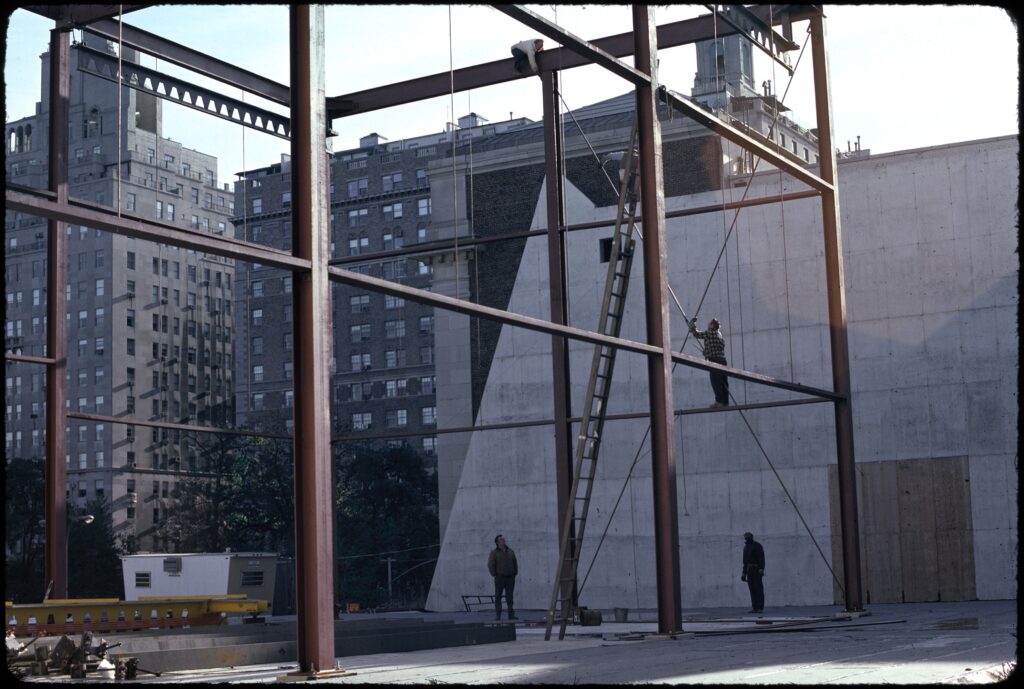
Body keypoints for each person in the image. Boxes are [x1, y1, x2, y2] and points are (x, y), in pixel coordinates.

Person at [689, 317, 729, 407]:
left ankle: (719, 402)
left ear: (712, 325)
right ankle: (725, 402)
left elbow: (697, 334)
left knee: (715, 381)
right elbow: (716, 347)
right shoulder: (719, 334)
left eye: (709, 323)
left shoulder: (710, 332)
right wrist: (707, 352)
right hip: (723, 360)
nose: (708, 324)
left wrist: (692, 325)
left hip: (714, 360)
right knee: (723, 382)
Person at [487, 534, 518, 620]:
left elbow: (515, 562)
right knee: (498, 596)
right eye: (501, 539)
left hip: (510, 578)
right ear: (497, 542)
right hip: (499, 578)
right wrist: (494, 574)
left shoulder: (510, 551)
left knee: (510, 597)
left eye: (503, 539)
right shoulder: (494, 553)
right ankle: (498, 615)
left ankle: (511, 615)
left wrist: (515, 573)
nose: (503, 540)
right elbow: (491, 564)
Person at [741, 532, 765, 613]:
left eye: (748, 537)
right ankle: (754, 607)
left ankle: (760, 607)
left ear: (751, 537)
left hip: (756, 569)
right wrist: (744, 573)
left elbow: (761, 557)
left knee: (758, 589)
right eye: (746, 537)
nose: (747, 538)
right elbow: (745, 562)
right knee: (752, 589)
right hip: (749, 571)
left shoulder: (757, 545)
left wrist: (761, 569)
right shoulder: (745, 548)